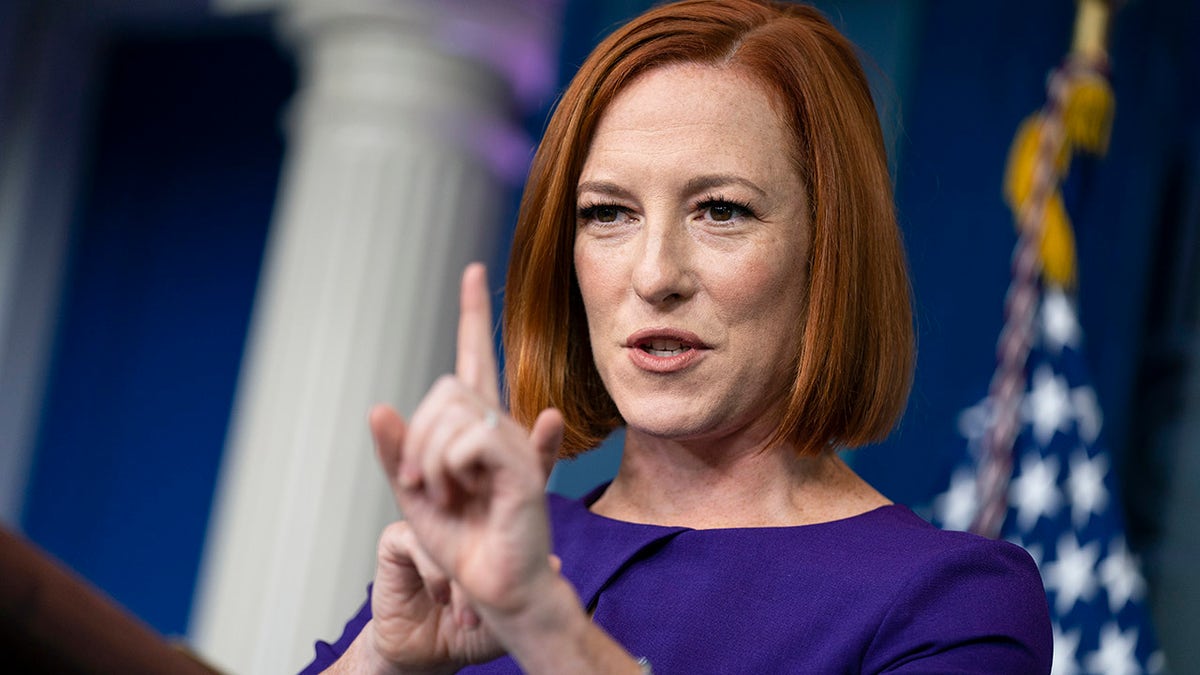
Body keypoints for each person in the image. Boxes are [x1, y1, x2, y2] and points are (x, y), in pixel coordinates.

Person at [303, 0, 1053, 672]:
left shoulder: (952, 602)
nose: (655, 273)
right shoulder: (478, 553)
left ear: (830, 253)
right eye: (607, 213)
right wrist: (382, 656)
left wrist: (543, 623)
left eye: (721, 210)